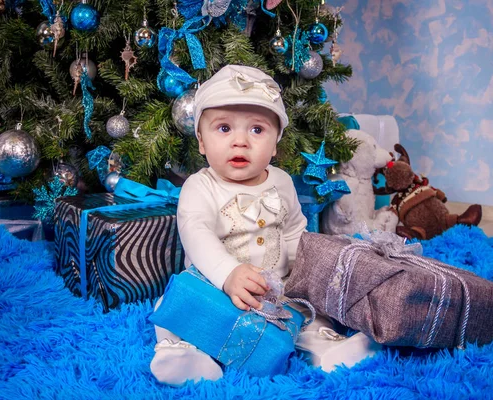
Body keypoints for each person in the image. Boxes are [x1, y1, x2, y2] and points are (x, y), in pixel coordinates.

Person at [150, 65, 380, 386]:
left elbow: (294, 232)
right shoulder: (199, 186)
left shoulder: (283, 182)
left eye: (257, 130)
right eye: (224, 128)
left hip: (275, 287)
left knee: (304, 312)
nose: (241, 141)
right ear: (201, 142)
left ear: (275, 145)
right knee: (178, 304)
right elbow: (196, 233)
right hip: (216, 285)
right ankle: (182, 352)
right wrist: (227, 273)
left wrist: (308, 273)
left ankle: (324, 346)